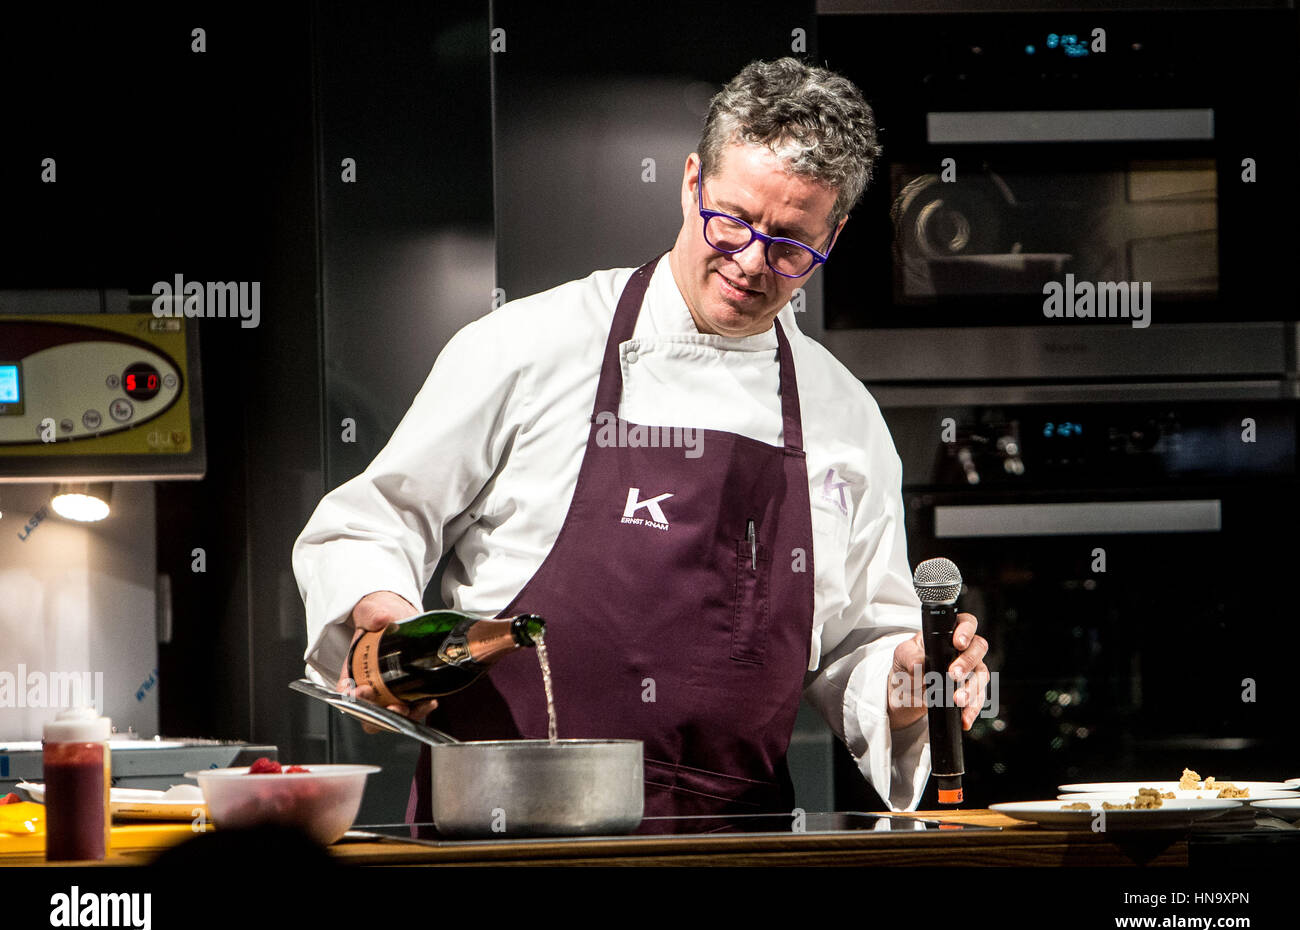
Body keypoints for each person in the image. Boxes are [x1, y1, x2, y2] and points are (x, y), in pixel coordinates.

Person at [293, 57, 989, 831]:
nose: (752, 264)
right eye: (732, 221)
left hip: (735, 843)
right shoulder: (531, 345)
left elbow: (862, 639)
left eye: (792, 246)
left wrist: (903, 679)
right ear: (691, 181)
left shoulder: (843, 417)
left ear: (836, 233)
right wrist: (385, 622)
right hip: (502, 836)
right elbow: (372, 523)